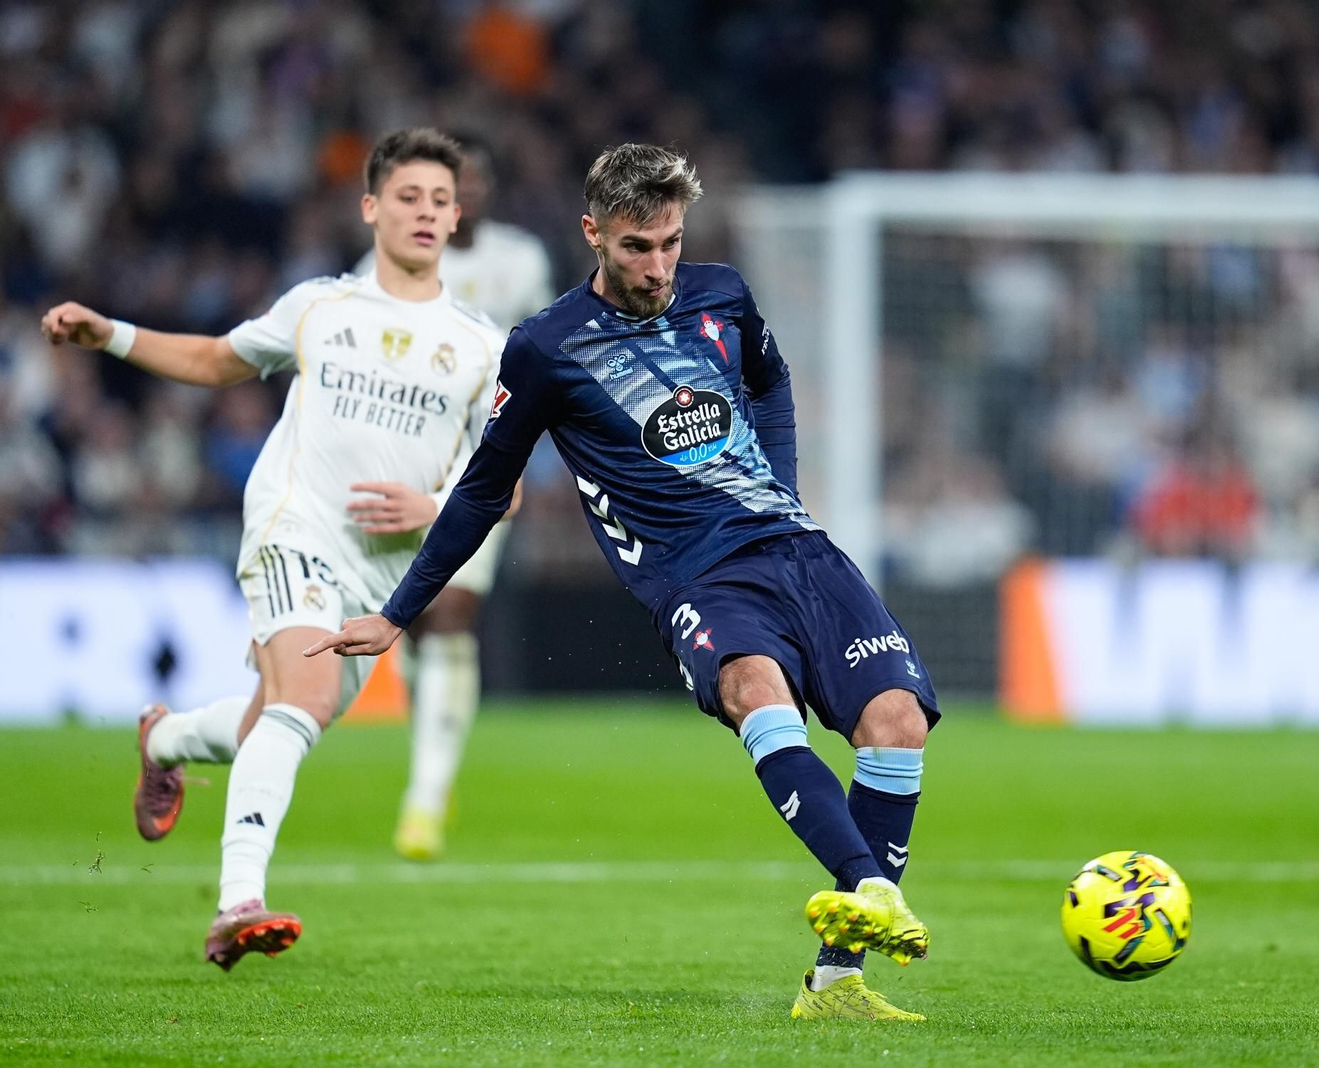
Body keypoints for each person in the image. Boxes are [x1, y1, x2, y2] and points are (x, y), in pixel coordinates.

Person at [308, 144, 940, 1022]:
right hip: (698, 574)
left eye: (670, 243)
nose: (657, 266)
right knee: (756, 692)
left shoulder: (723, 294)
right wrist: (397, 611)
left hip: (797, 547)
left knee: (898, 722)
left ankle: (836, 983)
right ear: (594, 233)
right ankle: (869, 884)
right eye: (637, 247)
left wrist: (784, 486)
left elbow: (770, 379)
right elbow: (484, 489)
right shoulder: (546, 347)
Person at [39, 128, 509, 970]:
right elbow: (216, 360)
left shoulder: (483, 346)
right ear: (370, 208)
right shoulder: (320, 307)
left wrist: (435, 505)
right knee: (306, 693)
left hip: (387, 575)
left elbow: (502, 487)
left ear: (455, 216)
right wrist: (110, 334)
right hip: (295, 527)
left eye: (441, 199)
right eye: (408, 196)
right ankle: (237, 903)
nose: (427, 212)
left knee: (285, 714)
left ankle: (166, 740)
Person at [357, 132, 553, 861]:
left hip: (483, 464)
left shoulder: (521, 261)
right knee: (411, 626)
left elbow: (548, 356)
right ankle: (432, 757)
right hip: (400, 463)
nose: (464, 194)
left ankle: (425, 798)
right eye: (451, 183)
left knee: (450, 614)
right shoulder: (381, 266)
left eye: (474, 181)